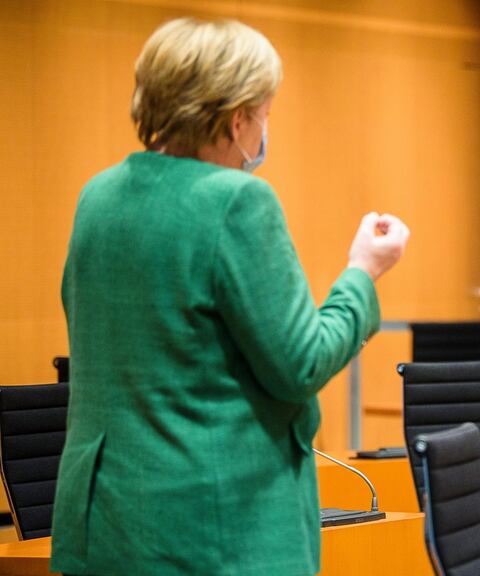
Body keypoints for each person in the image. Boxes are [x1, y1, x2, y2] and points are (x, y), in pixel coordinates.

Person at [50, 18, 409, 575]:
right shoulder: (237, 203)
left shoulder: (97, 198)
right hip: (212, 532)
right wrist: (363, 272)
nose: (265, 128)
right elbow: (301, 363)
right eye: (265, 113)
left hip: (104, 526)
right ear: (238, 117)